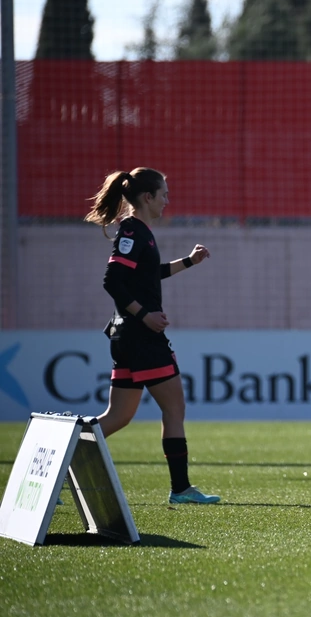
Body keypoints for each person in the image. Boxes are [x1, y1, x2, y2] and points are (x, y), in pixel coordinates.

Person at [85, 168, 219, 504]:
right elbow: (113, 281)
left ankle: (57, 468)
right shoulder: (132, 230)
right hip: (140, 336)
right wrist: (144, 315)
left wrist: (188, 262)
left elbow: (146, 274)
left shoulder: (140, 232)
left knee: (118, 417)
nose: (167, 201)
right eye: (164, 195)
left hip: (127, 336)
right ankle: (181, 489)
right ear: (148, 197)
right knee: (175, 408)